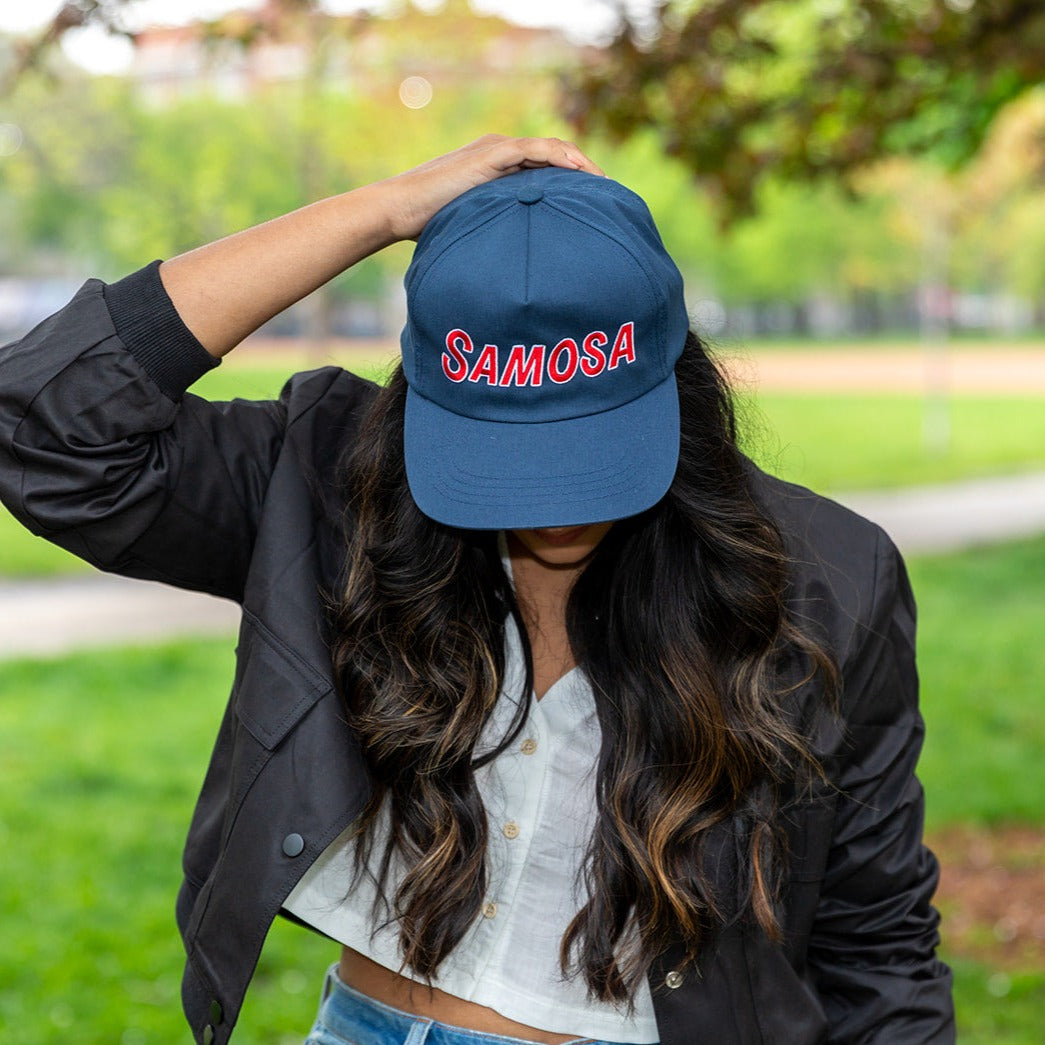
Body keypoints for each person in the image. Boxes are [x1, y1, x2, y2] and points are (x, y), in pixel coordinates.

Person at [0, 135, 954, 1045]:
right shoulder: (330, 480)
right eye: (503, 451)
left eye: (583, 445)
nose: (548, 504)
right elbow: (44, 429)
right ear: (427, 392)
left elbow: (876, 935)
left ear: (672, 375)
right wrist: (380, 212)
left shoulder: (827, 575)